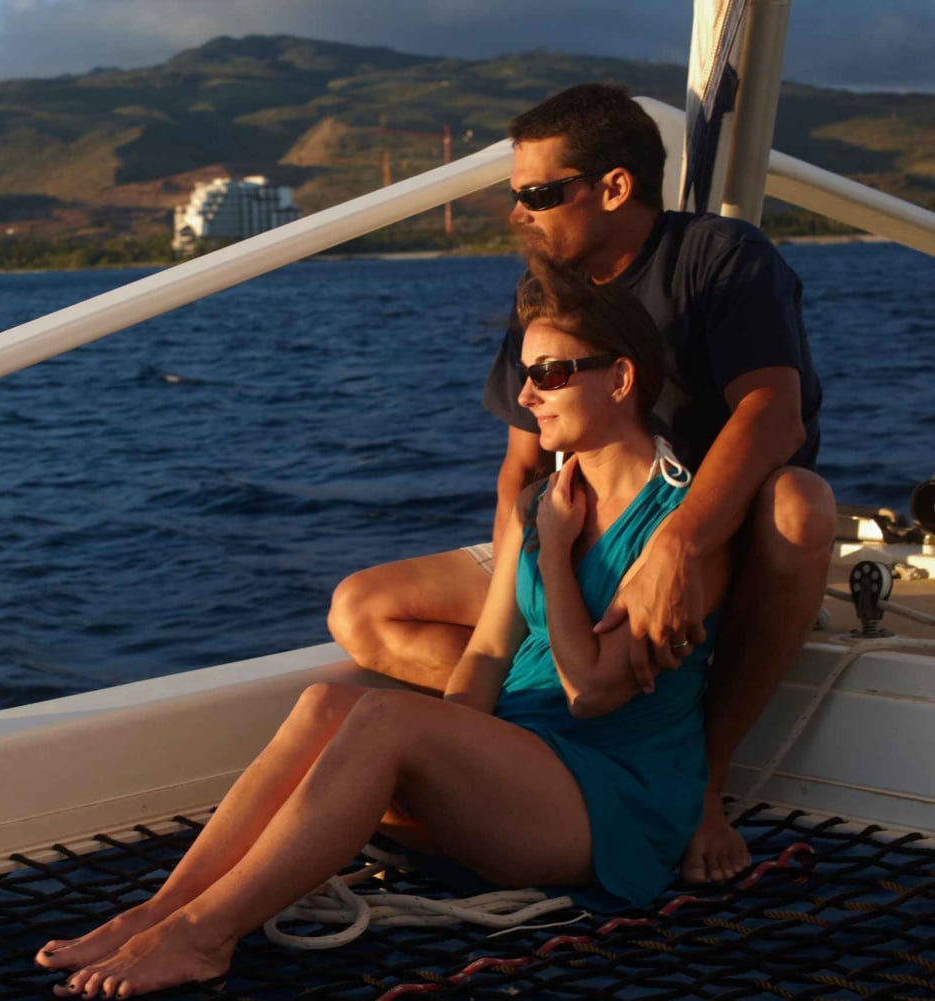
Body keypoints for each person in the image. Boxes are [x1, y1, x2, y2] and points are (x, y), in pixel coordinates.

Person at [35, 271, 733, 1000]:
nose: (526, 396)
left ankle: (203, 936)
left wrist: (554, 555)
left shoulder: (682, 535)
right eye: (524, 374)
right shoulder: (545, 501)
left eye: (550, 374)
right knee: (324, 704)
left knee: (384, 718)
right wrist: (454, 757)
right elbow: (489, 651)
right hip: (524, 763)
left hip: (611, 803)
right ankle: (161, 910)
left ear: (620, 379)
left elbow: (590, 691)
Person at [327, 82, 835, 884]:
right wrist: (525, 587)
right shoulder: (549, 295)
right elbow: (523, 467)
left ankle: (702, 778)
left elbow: (775, 415)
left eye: (536, 194)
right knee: (361, 609)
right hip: (583, 537)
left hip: (705, 536)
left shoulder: (719, 258)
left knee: (801, 506)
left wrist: (677, 544)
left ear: (615, 187)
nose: (517, 214)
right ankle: (537, 742)